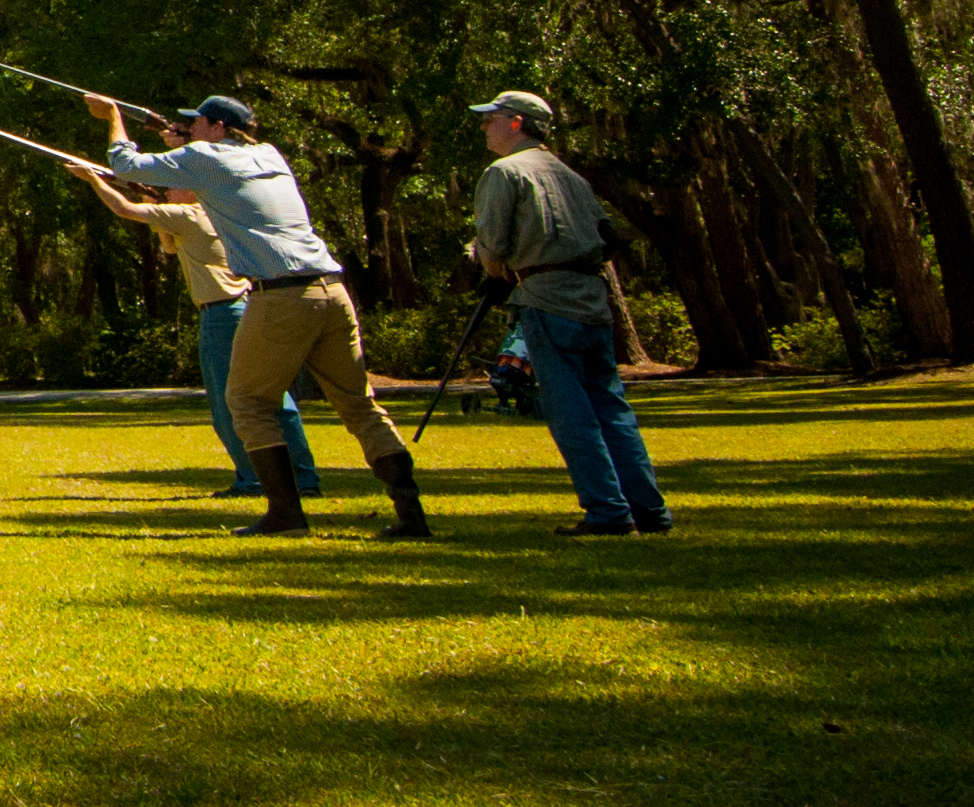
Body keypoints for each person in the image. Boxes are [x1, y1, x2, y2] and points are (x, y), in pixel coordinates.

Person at [83, 91, 430, 540]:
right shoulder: (268, 154)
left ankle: (286, 514)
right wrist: (181, 141)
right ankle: (411, 515)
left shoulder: (206, 158)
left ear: (218, 128)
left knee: (247, 403)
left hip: (280, 297)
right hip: (331, 290)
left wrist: (113, 116)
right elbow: (216, 166)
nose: (192, 126)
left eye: (198, 121)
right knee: (359, 405)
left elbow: (125, 164)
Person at [466, 90, 670, 538]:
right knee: (612, 407)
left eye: (491, 119)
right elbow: (608, 235)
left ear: (516, 123)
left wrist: (492, 267)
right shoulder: (571, 175)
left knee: (570, 412)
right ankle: (649, 510)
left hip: (545, 299)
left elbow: (494, 247)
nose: (484, 127)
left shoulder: (504, 173)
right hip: (592, 300)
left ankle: (608, 513)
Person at [69, 146, 318, 497]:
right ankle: (303, 477)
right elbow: (170, 248)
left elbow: (122, 209)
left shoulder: (188, 215)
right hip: (245, 306)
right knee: (274, 398)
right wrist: (157, 209)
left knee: (227, 405)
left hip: (222, 314)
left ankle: (253, 479)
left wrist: (94, 179)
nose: (168, 189)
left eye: (174, 184)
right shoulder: (219, 213)